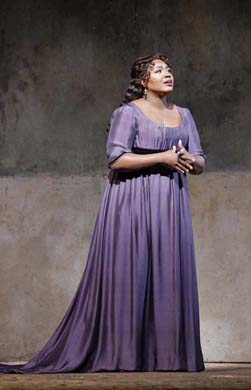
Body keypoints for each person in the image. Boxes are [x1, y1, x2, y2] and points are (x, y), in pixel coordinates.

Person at [0, 52, 206, 374]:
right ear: (143, 81)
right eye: (158, 70)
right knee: (131, 272)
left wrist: (190, 162)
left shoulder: (186, 115)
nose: (168, 74)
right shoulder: (128, 113)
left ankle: (166, 357)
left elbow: (200, 160)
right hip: (132, 202)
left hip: (170, 204)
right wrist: (162, 158)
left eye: (169, 69)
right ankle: (123, 355)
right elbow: (116, 159)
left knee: (168, 272)